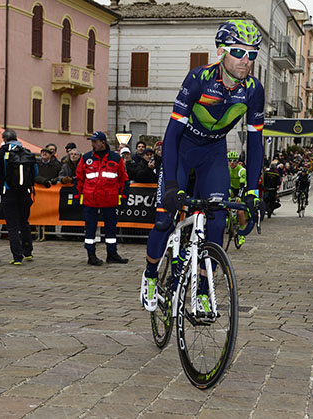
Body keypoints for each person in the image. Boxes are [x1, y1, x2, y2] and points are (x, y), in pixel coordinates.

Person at [140, 19, 265, 312]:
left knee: (217, 222)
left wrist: (252, 192)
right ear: (222, 51)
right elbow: (171, 134)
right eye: (238, 51)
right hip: (182, 150)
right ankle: (149, 276)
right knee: (163, 219)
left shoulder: (253, 90)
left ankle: (204, 290)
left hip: (213, 153)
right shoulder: (199, 78)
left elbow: (256, 141)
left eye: (252, 54)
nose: (246, 60)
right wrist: (171, 184)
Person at [75, 131, 129, 265]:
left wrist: (124, 197)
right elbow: (79, 179)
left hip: (109, 200)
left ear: (103, 142)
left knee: (111, 228)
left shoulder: (116, 158)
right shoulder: (86, 158)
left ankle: (112, 254)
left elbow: (123, 179)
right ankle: (91, 255)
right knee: (90, 228)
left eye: (95, 141)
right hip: (90, 199)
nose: (92, 144)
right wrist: (77, 196)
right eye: (92, 141)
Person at [0, 129, 37, 265]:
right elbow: (35, 172)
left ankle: (17, 257)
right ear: (16, 138)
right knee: (24, 222)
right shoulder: (27, 152)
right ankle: (28, 252)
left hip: (8, 192)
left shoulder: (0, 153)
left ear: (4, 139)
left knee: (12, 226)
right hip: (25, 192)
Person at [227, 151, 248, 246]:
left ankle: (242, 233)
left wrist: (239, 196)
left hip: (241, 189)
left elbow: (242, 185)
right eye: (230, 160)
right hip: (232, 188)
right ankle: (230, 221)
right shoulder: (227, 169)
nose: (232, 162)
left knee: (240, 211)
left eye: (234, 161)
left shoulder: (241, 170)